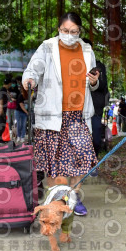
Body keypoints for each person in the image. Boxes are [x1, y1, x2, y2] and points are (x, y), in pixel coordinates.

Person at [23, 12, 100, 218]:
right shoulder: (47, 47)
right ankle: (55, 200)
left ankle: (73, 198)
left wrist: (94, 82)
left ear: (79, 31)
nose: (68, 34)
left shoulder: (86, 49)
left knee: (81, 160)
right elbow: (33, 69)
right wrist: (29, 78)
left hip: (78, 114)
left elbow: (92, 82)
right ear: (58, 29)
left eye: (73, 31)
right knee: (54, 164)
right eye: (65, 31)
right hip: (52, 114)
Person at [82, 38, 109, 166]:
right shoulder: (74, 65)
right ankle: (81, 166)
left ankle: (93, 162)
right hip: (77, 108)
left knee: (96, 139)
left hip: (96, 108)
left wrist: (95, 82)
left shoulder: (99, 66)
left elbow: (104, 86)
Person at [14, 77, 29, 142]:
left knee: (24, 125)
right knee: (19, 125)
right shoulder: (21, 96)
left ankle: (22, 137)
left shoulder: (27, 96)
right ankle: (19, 136)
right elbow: (21, 105)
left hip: (24, 112)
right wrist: (27, 112)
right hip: (19, 112)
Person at [0, 78, 10, 143]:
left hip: (1, 108)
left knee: (2, 123)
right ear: (9, 84)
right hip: (0, 109)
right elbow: (1, 99)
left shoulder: (3, 90)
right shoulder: (3, 90)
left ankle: (0, 137)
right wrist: (1, 108)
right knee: (1, 123)